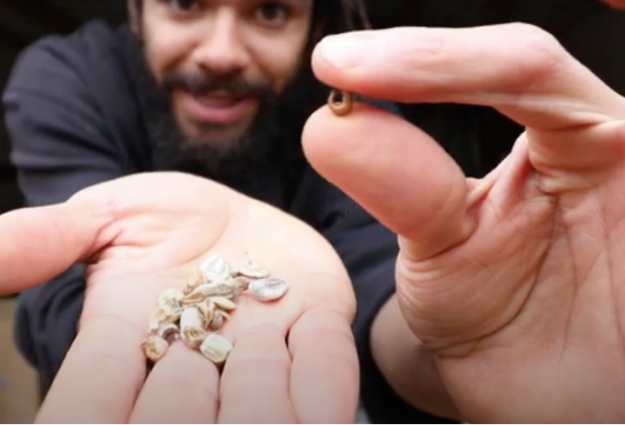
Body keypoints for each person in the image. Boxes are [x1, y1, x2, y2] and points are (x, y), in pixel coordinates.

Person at [4, 1, 625, 425]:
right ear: (137, 9)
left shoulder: (347, 110)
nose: (221, 53)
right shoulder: (66, 78)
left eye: (269, 10)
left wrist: (475, 341)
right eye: (187, 2)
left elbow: (385, 288)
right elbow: (66, 293)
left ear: (313, 21)